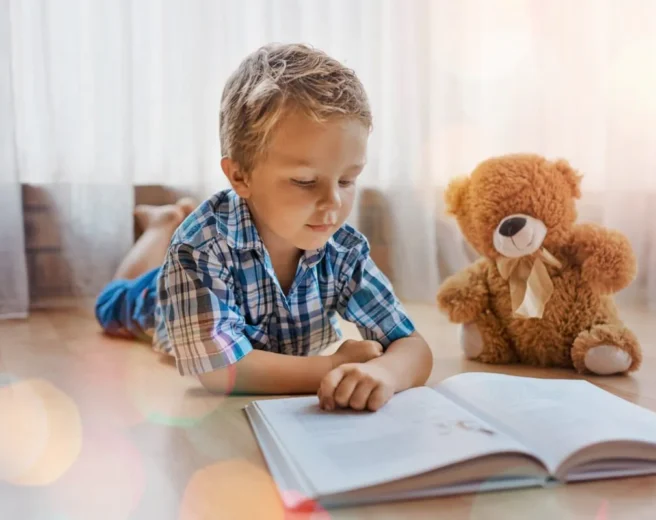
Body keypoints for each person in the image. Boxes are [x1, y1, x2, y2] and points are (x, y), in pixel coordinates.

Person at [94, 43, 433, 411]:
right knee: (111, 304)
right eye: (305, 181)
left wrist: (387, 372)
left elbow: (413, 346)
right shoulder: (199, 248)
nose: (333, 203)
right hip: (166, 300)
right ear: (240, 176)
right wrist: (331, 366)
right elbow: (219, 371)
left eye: (348, 180)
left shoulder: (343, 250)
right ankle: (160, 226)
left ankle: (165, 221)